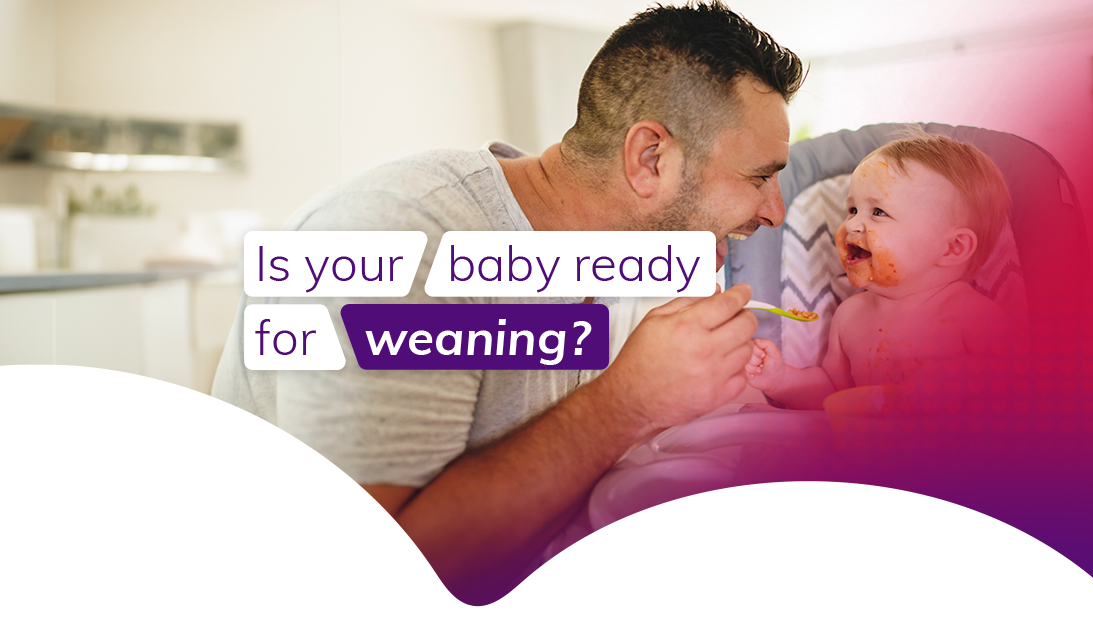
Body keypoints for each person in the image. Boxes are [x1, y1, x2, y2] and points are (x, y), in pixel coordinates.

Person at [211, 1, 803, 605]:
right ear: (650, 159)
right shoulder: (398, 241)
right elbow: (378, 580)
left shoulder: (583, 255)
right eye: (759, 177)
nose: (774, 212)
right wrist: (629, 400)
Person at [745, 132, 1012, 409]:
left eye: (878, 212)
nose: (852, 225)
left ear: (952, 248)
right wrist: (780, 379)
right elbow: (832, 394)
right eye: (852, 209)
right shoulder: (850, 317)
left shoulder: (977, 319)